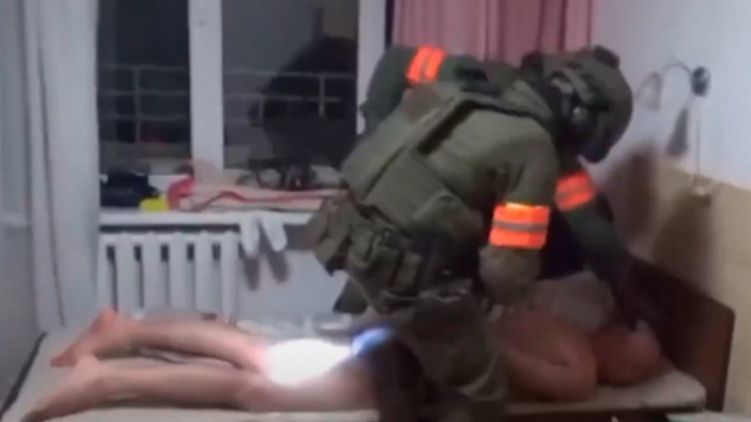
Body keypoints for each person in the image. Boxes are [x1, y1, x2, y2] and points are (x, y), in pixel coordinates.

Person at [308, 44, 637, 421]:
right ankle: (395, 350)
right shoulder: (535, 148)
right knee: (481, 395)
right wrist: (492, 304)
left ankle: (387, 344)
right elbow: (506, 271)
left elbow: (590, 224)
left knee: (408, 295)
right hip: (399, 258)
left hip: (345, 223)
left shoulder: (467, 81)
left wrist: (374, 139)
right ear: (580, 120)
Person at [25, 301, 664, 422]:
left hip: (399, 343)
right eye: (642, 361)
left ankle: (126, 331)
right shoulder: (578, 358)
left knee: (261, 354)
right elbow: (556, 382)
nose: (638, 375)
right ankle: (105, 378)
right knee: (261, 389)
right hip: (411, 367)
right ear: (617, 334)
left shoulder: (548, 313)